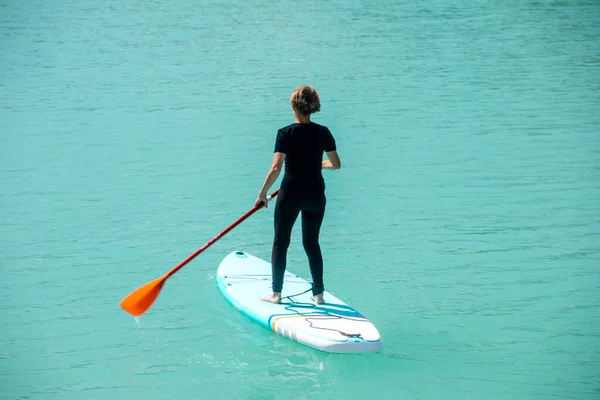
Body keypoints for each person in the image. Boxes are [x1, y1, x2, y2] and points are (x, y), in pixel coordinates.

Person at [255, 85, 341, 305]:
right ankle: (319, 294)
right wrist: (316, 164)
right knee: (311, 243)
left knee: (280, 243)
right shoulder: (324, 132)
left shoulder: (285, 133)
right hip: (315, 195)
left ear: (293, 107)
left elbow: (276, 168)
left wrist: (263, 194)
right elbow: (335, 164)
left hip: (290, 194)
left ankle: (276, 293)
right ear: (313, 108)